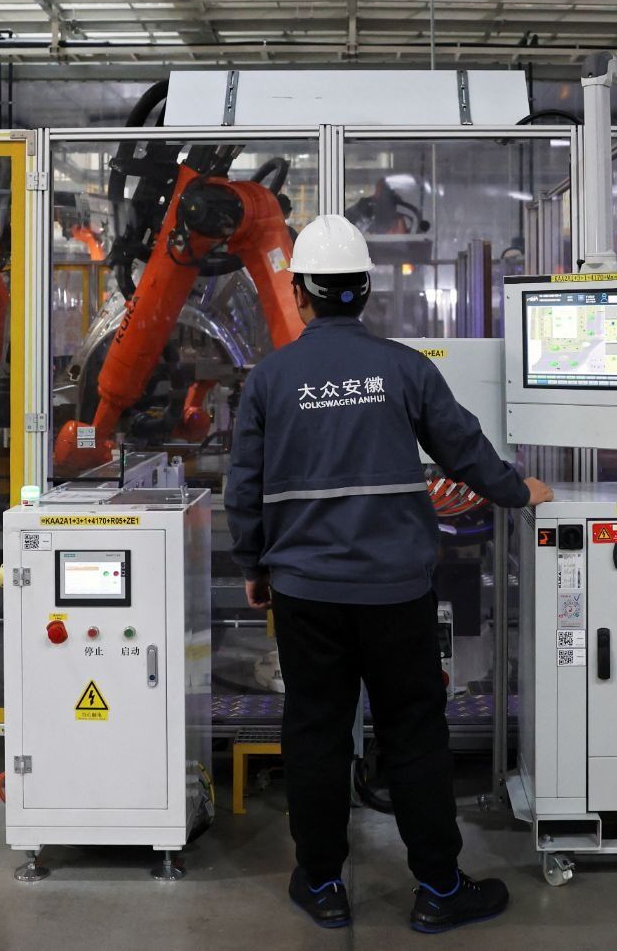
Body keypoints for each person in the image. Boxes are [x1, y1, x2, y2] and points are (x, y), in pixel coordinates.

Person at [225, 213, 554, 934]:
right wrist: (516, 490)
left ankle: (321, 884)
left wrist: (254, 564)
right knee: (414, 733)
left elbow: (242, 486)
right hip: (397, 593)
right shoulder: (405, 369)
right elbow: (465, 449)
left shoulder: (270, 379)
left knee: (315, 733)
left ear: (299, 293)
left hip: (305, 592)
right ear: (366, 291)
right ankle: (439, 888)